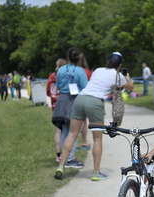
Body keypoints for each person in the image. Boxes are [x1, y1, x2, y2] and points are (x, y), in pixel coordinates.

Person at [54, 52, 133, 181]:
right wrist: (127, 77)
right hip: (95, 102)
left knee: (72, 134)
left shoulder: (98, 70)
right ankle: (96, 172)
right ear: (120, 65)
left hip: (80, 99)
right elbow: (130, 86)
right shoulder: (118, 76)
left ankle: (61, 166)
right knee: (97, 139)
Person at [54, 47, 88, 169]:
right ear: (79, 58)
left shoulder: (61, 70)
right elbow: (85, 87)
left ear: (68, 57)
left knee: (65, 131)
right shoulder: (80, 71)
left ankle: (65, 157)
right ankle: (69, 158)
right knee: (74, 132)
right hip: (75, 100)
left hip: (62, 100)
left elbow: (57, 85)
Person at [47, 58, 67, 163]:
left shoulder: (51, 77)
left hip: (55, 106)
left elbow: (48, 92)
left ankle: (58, 155)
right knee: (67, 130)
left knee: (58, 131)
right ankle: (67, 153)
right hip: (65, 104)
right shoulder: (66, 75)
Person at [79, 53, 91, 150]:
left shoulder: (73, 70)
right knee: (83, 121)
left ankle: (76, 142)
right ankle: (84, 141)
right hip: (84, 97)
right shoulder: (87, 72)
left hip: (72, 97)